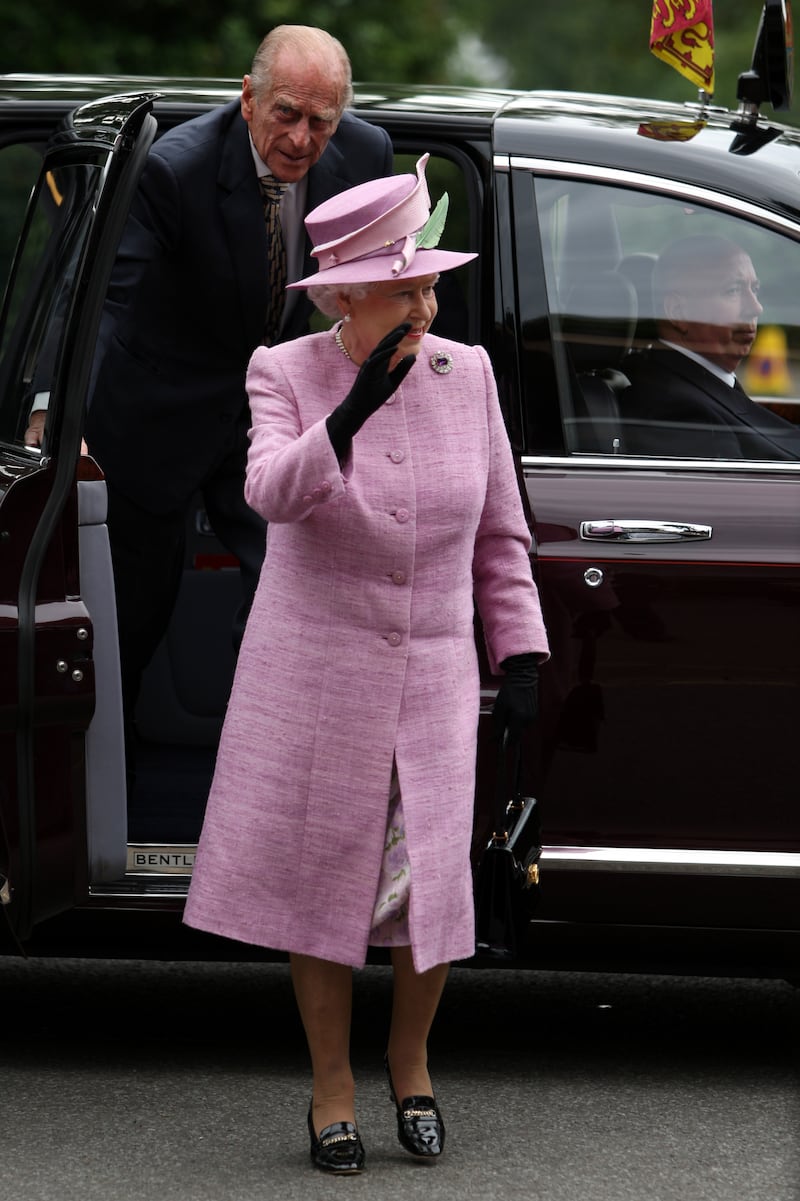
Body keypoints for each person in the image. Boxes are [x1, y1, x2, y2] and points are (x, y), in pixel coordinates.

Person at [183, 154, 550, 1174]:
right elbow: (267, 493)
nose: (428, 302)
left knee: (424, 886)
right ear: (346, 292)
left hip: (431, 673)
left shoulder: (464, 371)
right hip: (315, 672)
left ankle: (412, 1060)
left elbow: (499, 535)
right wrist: (344, 419)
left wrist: (517, 649)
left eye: (431, 282)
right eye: (407, 286)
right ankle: (331, 1087)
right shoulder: (284, 371)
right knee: (324, 882)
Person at [76, 26, 393, 781]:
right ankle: (92, 805)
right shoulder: (172, 170)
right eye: (286, 113)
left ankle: (276, 789)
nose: (302, 137)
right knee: (131, 624)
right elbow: (103, 301)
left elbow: (382, 281)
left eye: (322, 121)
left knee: (296, 605)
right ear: (247, 99)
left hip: (270, 418)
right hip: (158, 411)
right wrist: (61, 413)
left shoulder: (365, 155)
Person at [619, 234, 800, 459]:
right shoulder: (679, 413)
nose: (756, 308)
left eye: (754, 290)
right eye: (733, 290)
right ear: (678, 311)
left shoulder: (694, 384)